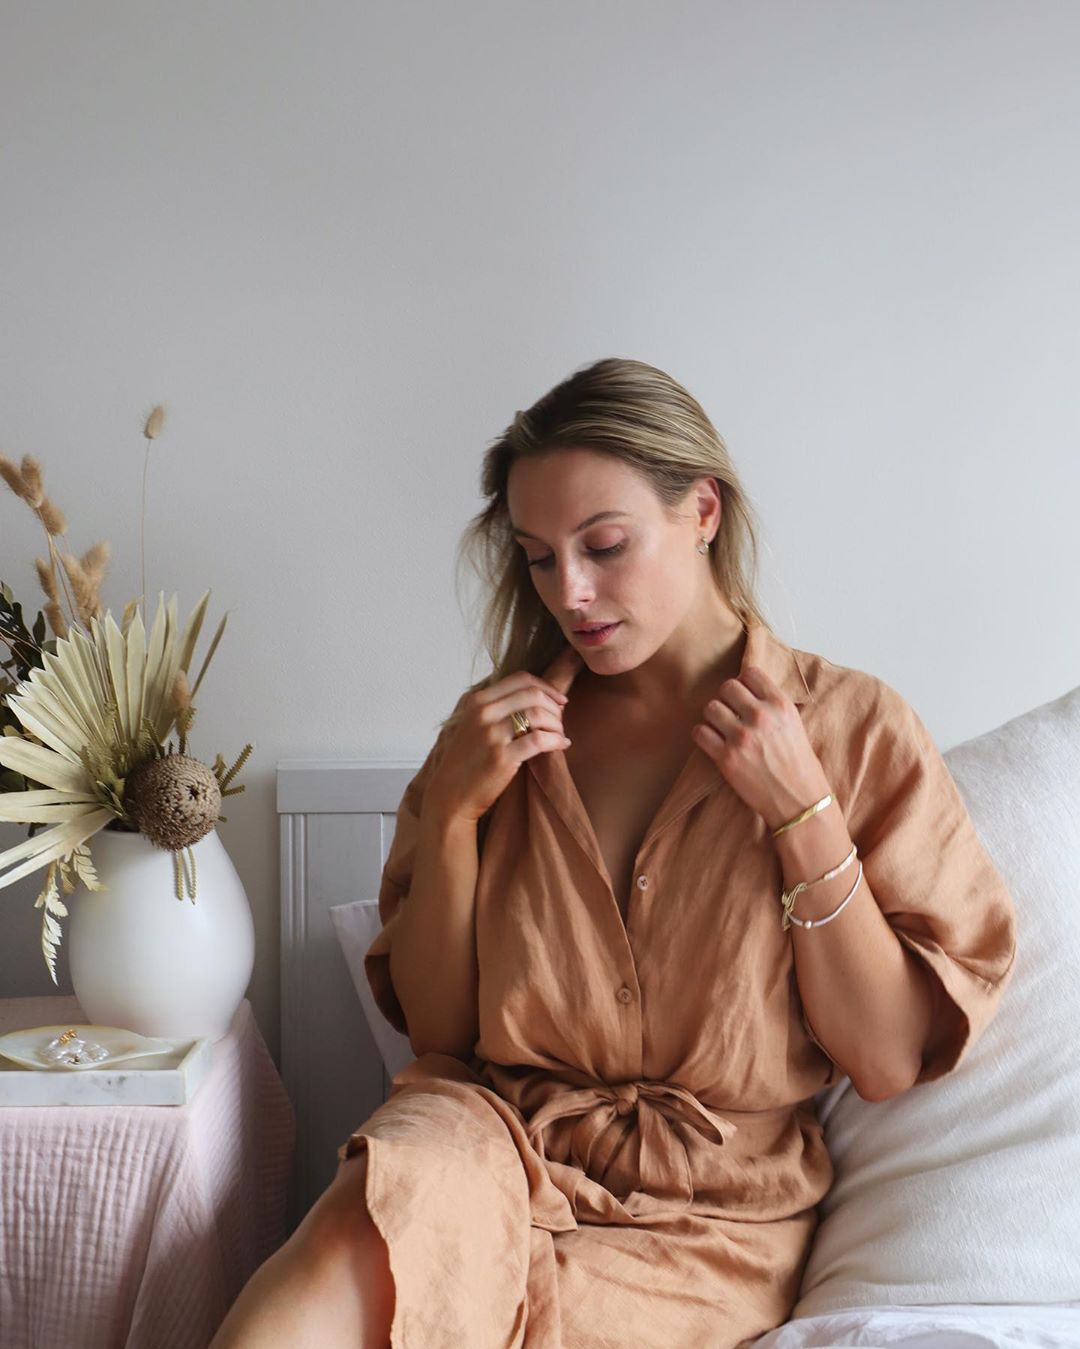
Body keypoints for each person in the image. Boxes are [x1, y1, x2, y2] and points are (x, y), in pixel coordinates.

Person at [211, 357, 1018, 1349]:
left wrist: (801, 813)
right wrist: (456, 813)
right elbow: (442, 1033)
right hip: (488, 1141)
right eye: (540, 558)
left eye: (604, 545)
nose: (573, 592)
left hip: (708, 1220)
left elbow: (887, 1058)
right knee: (366, 1220)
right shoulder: (497, 735)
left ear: (703, 511)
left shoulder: (852, 729)